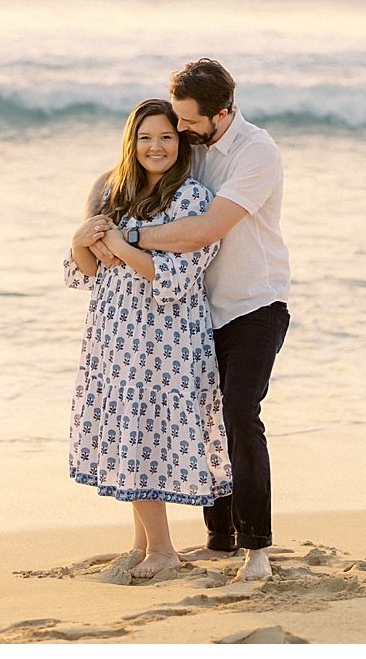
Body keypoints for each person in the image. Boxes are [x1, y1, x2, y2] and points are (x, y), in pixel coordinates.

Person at [82, 59, 289, 584]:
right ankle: (219, 538)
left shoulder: (255, 153)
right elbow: (139, 165)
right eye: (178, 122)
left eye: (188, 124)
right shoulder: (190, 144)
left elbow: (204, 230)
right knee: (206, 419)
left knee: (240, 413)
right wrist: (93, 220)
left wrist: (125, 238)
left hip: (251, 303)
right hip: (198, 314)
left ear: (222, 113)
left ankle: (256, 548)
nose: (181, 134)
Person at [65, 98, 230, 580]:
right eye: (145, 138)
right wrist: (81, 241)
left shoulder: (194, 200)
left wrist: (118, 244)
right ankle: (142, 543)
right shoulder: (114, 194)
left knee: (147, 432)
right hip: (114, 332)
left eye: (166, 137)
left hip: (165, 334)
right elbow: (87, 274)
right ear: (131, 143)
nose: (155, 147)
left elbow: (176, 278)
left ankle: (163, 548)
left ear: (180, 144)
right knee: (129, 428)